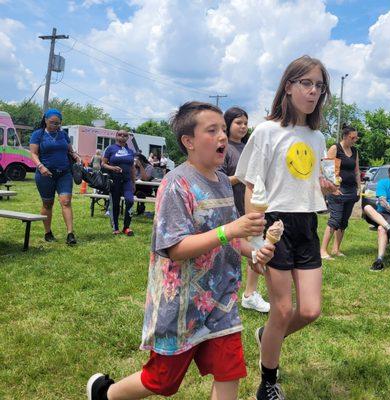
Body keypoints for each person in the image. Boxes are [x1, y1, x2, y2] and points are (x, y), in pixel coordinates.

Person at [87, 101, 275, 400]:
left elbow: (229, 236)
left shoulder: (224, 183)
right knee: (162, 381)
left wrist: (252, 252)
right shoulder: (177, 184)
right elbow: (175, 248)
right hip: (182, 302)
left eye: (223, 130)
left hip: (221, 298)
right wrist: (232, 231)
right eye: (212, 131)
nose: (223, 137)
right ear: (188, 141)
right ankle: (105, 394)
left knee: (230, 370)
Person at [235, 55, 338, 400]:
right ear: (289, 86)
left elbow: (310, 179)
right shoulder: (266, 131)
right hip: (275, 224)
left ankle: (268, 336)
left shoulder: (318, 137)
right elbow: (252, 186)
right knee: (281, 308)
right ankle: (268, 382)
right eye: (306, 83)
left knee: (309, 310)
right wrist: (253, 242)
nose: (313, 91)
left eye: (319, 86)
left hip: (307, 222)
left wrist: (325, 186)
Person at [218, 106, 270, 314]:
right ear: (228, 124)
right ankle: (222, 291)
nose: (243, 127)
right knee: (228, 250)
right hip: (228, 209)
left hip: (249, 206)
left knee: (254, 249)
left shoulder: (249, 146)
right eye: (238, 123)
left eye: (246, 123)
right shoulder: (223, 148)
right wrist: (242, 176)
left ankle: (250, 294)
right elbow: (219, 181)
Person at [29, 108, 81, 245]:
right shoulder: (38, 135)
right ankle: (48, 232)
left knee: (66, 201)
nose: (55, 126)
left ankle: (70, 234)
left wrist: (75, 155)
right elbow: (33, 153)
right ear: (45, 120)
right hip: (45, 174)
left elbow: (70, 151)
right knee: (47, 203)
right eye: (52, 123)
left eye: (58, 123)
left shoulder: (63, 134)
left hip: (64, 173)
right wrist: (41, 167)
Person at [320, 124, 361, 260]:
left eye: (356, 138)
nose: (355, 140)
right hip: (337, 190)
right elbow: (327, 170)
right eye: (352, 137)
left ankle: (336, 249)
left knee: (343, 222)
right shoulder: (335, 148)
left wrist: (359, 188)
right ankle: (323, 251)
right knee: (335, 220)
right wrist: (333, 188)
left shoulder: (354, 151)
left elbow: (356, 171)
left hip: (351, 190)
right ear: (345, 136)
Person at [102, 130, 136, 236]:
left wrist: (134, 182)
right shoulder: (110, 149)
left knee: (130, 201)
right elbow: (103, 164)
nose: (122, 136)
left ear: (127, 138)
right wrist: (112, 168)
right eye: (120, 134)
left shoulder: (130, 151)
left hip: (127, 180)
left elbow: (132, 168)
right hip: (114, 180)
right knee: (115, 204)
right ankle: (115, 227)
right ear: (116, 136)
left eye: (125, 135)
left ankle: (126, 227)